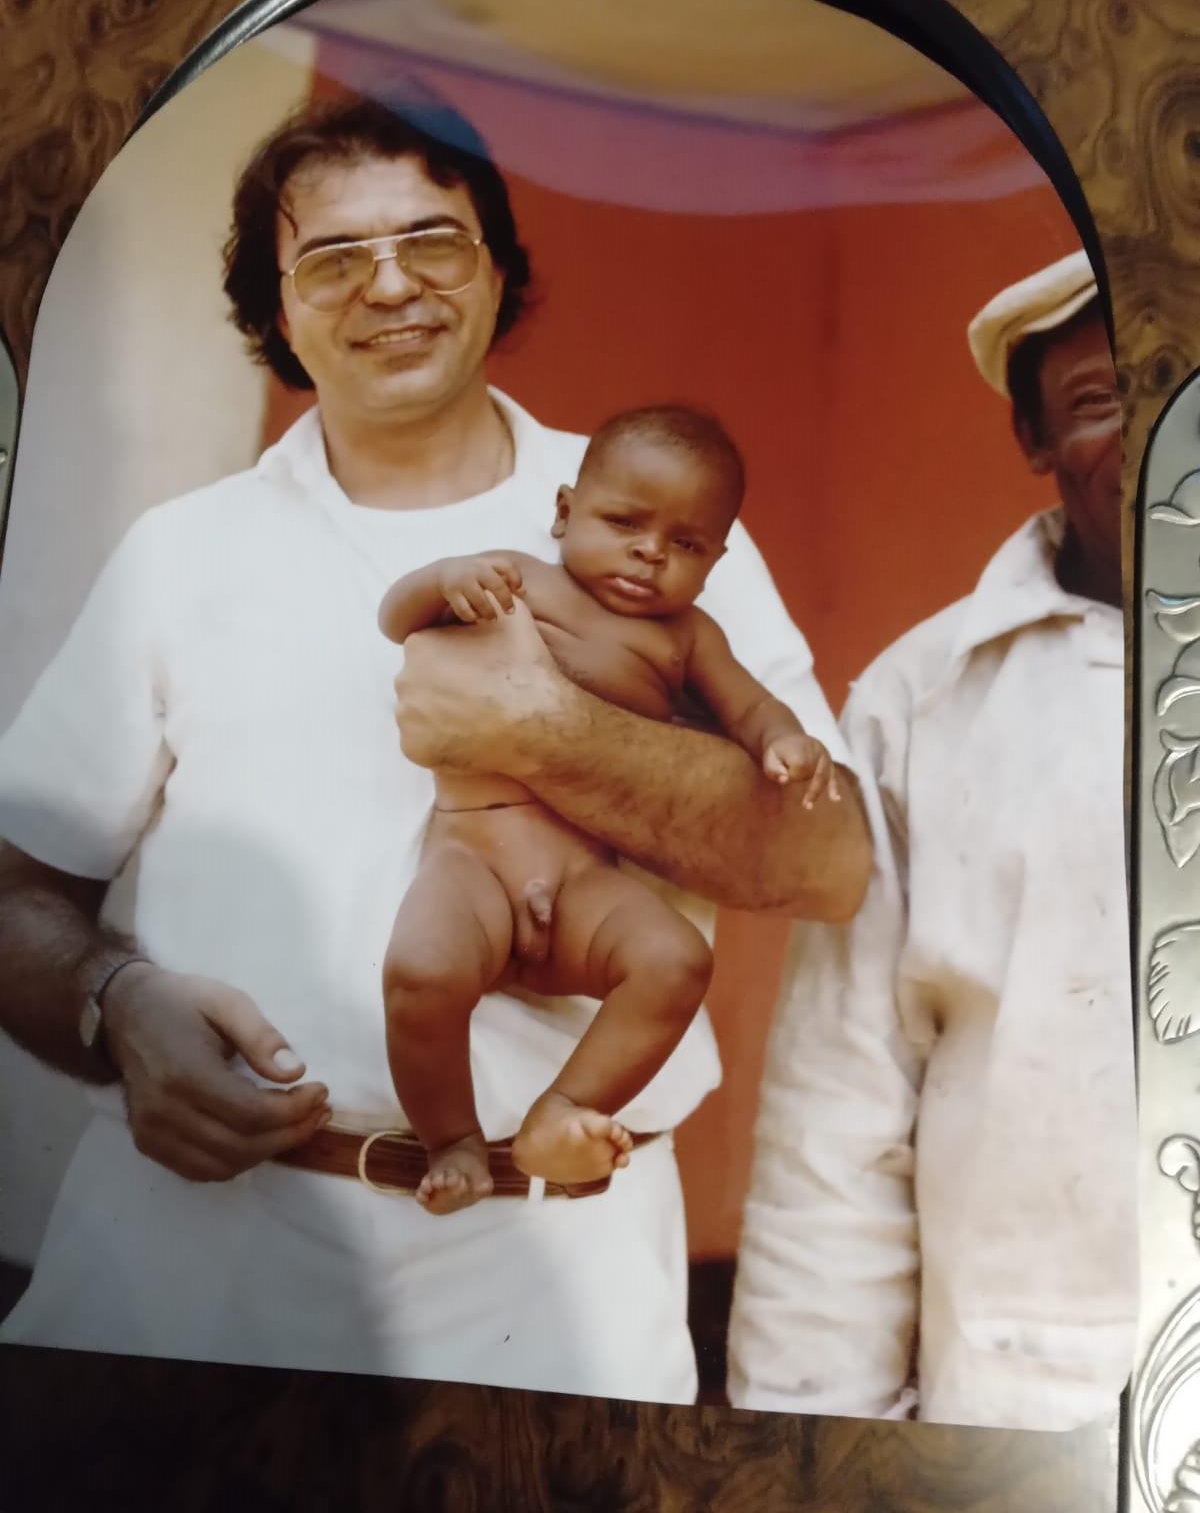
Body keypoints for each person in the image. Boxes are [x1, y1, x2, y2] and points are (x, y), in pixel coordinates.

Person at [0, 88, 870, 1401]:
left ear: (500, 270)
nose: (390, 284)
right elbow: (18, 894)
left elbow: (832, 862)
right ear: (276, 311)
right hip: (190, 1262)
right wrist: (111, 1009)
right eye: (333, 258)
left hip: (548, 1271)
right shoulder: (184, 554)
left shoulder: (653, 520)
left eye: (434, 241)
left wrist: (556, 737)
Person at [728, 249, 1138, 1430]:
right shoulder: (924, 698)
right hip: (1033, 1411)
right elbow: (838, 1115)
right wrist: (813, 1451)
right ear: (1038, 443)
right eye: (1106, 397)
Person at [377, 404, 838, 1211]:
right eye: (624, 521)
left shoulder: (687, 638)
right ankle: (450, 1139)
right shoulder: (512, 579)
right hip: (473, 862)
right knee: (421, 970)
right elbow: (397, 617)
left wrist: (787, 742)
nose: (649, 552)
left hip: (584, 883)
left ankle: (563, 1109)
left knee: (677, 961)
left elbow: (752, 708)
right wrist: (445, 581)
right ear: (564, 512)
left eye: (685, 544)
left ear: (716, 559)